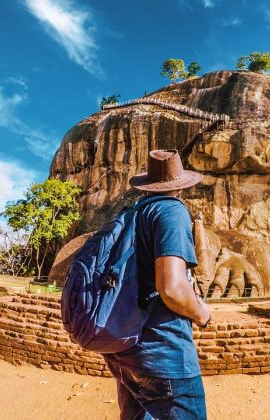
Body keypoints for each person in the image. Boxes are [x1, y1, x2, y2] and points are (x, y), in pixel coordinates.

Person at [104, 149, 211, 419]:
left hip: (126, 349)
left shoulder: (132, 214)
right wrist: (202, 313)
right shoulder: (171, 211)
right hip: (164, 352)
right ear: (180, 185)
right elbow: (172, 288)